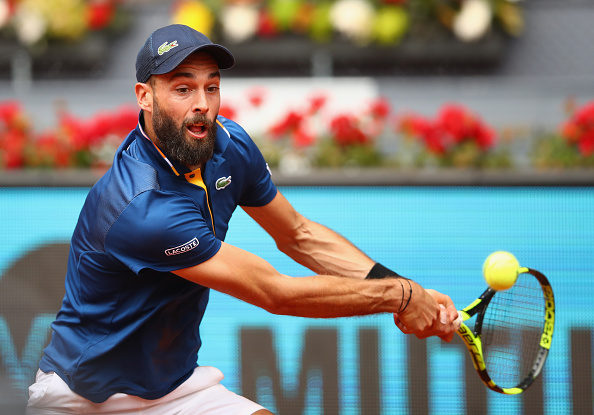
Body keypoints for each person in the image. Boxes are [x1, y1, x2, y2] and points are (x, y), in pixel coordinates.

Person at [26, 24, 460, 415]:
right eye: (183, 89)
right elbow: (277, 295)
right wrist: (399, 297)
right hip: (80, 399)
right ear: (145, 96)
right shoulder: (140, 206)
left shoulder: (230, 146)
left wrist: (409, 291)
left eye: (211, 88)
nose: (202, 105)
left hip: (173, 389)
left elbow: (299, 235)